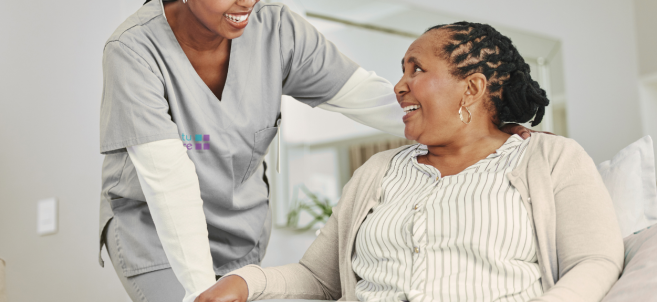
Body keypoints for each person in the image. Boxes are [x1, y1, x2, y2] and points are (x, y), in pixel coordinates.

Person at [98, 0, 533, 302]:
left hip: (240, 237)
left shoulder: (277, 33)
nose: (248, 0)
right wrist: (199, 291)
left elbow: (368, 97)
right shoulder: (134, 51)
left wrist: (483, 125)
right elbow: (168, 182)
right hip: (155, 235)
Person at [198, 22, 624, 302]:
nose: (400, 86)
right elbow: (319, 278)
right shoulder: (378, 171)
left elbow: (595, 261)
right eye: (403, 71)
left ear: (472, 88)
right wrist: (246, 281)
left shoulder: (550, 158)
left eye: (416, 69)